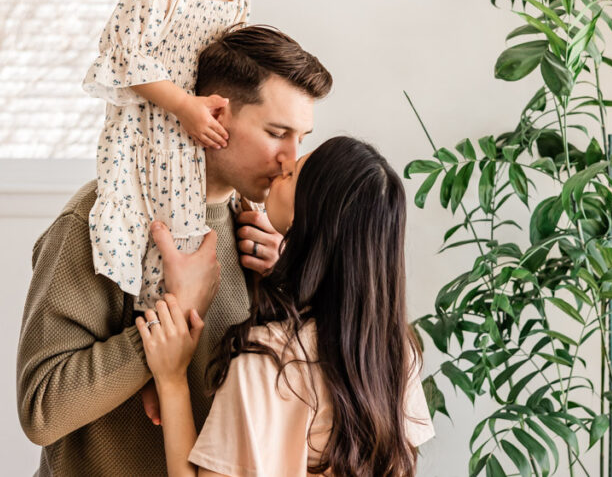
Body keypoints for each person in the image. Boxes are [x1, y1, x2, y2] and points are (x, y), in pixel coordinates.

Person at [17, 25, 333, 476]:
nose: (291, 158)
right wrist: (176, 313)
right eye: (277, 133)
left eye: (301, 138)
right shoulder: (104, 218)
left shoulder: (262, 235)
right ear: (216, 116)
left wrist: (288, 286)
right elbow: (42, 410)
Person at [138, 136, 435, 476]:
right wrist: (294, 263)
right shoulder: (396, 350)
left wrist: (172, 380)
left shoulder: (267, 362)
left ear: (301, 221)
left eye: (292, 174)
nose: (284, 162)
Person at [80, 0, 268, 310]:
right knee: (162, 236)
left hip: (200, 131)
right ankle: (157, 328)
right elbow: (123, 53)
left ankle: (194, 328)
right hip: (157, 126)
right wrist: (184, 105)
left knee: (207, 231)